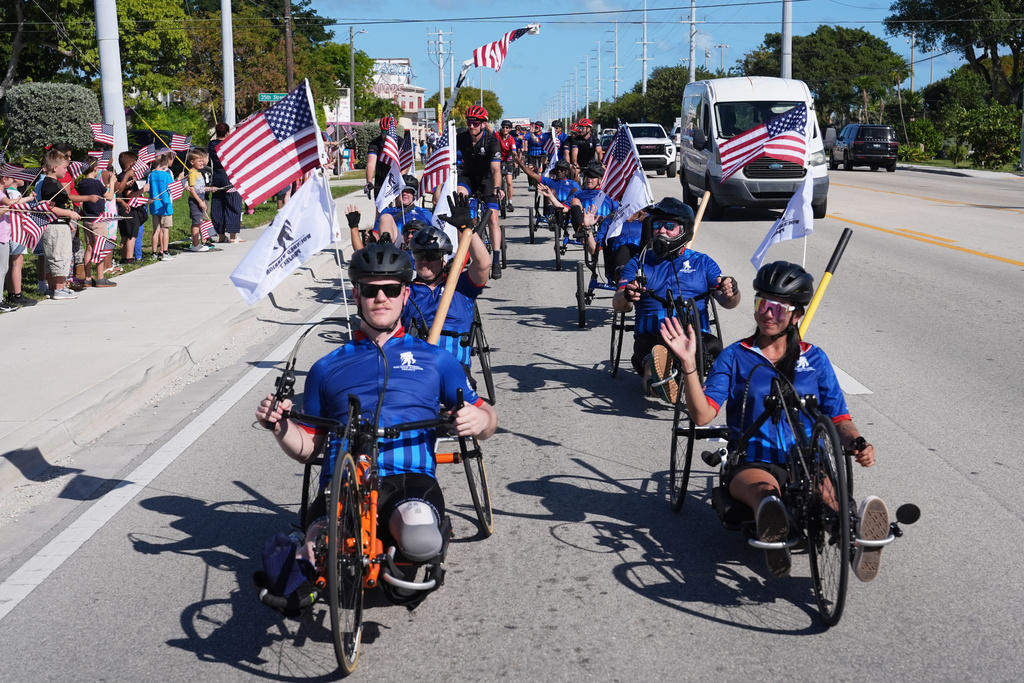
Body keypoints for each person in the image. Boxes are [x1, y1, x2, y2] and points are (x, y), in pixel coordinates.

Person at [254, 241, 497, 610]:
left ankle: (414, 555)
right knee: (312, 549)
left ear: (405, 294)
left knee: (419, 539)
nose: (380, 297)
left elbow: (488, 419)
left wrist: (479, 420)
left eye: (391, 289)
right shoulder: (325, 367)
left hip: (409, 477)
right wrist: (280, 426)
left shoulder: (436, 360)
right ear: (357, 294)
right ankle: (298, 572)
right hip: (342, 481)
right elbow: (309, 449)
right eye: (370, 289)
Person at [659, 261, 891, 581]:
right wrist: (688, 366)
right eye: (762, 304)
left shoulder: (815, 359)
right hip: (753, 460)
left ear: (796, 315)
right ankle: (774, 526)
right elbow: (702, 415)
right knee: (765, 492)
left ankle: (855, 540)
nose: (767, 313)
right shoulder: (735, 355)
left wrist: (857, 442)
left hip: (807, 459)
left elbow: (839, 418)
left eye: (778, 308)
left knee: (830, 500)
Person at [613, 197, 740, 402]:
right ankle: (657, 386)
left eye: (669, 226)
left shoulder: (703, 263)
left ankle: (707, 392)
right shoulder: (638, 263)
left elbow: (728, 303)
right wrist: (628, 294)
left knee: (716, 347)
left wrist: (730, 290)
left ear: (683, 230)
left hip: (694, 336)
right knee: (653, 357)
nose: (661, 231)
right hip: (652, 336)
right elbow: (618, 303)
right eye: (657, 225)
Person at [401, 205, 490, 368]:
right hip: (416, 367)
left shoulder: (461, 285)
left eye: (431, 255)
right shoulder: (406, 292)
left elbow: (483, 264)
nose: (424, 261)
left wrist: (467, 228)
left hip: (454, 367)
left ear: (443, 260)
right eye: (419, 255)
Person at [38, 150, 96, 300]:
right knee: (59, 257)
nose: (66, 170)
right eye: (65, 168)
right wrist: (69, 214)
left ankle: (53, 289)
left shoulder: (54, 182)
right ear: (55, 168)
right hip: (55, 227)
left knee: (55, 257)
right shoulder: (50, 184)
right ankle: (58, 289)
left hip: (58, 224)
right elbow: (49, 207)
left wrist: (67, 220)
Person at [455, 105, 504, 280]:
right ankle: (462, 252)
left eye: (475, 123)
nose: (471, 126)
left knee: (493, 218)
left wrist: (498, 188)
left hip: (487, 179)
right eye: (469, 122)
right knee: (459, 202)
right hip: (468, 177)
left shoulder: (492, 142)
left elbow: (496, 170)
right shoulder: (460, 138)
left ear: (483, 124)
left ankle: (496, 260)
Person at [76, 162, 118, 287]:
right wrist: (112, 183)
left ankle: (88, 277)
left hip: (87, 219)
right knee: (101, 247)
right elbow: (109, 197)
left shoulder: (82, 183)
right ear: (95, 169)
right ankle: (100, 277)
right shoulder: (96, 183)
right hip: (98, 220)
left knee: (90, 247)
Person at [2, 174, 36, 308]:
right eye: (21, 174)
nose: (25, 177)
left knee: (12, 264)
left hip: (11, 231)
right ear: (14, 178)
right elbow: (18, 209)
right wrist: (30, 201)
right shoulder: (13, 193)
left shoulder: (9, 192)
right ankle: (17, 294)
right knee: (17, 263)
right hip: (16, 231)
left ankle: (12, 293)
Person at [514, 158, 579, 228]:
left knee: (575, 190)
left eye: (561, 169)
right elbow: (533, 175)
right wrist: (521, 165)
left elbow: (581, 195)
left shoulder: (573, 183)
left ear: (566, 171)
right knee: (550, 190)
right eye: (557, 169)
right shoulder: (550, 181)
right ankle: (551, 217)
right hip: (554, 207)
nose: (559, 171)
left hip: (567, 208)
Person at [208, 122, 244, 243]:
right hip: (230, 177)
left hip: (217, 176)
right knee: (233, 204)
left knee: (218, 205)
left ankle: (221, 236)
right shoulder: (230, 145)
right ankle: (233, 236)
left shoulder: (211, 145)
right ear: (227, 133)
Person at [375, 175, 433, 246]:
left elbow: (435, 232)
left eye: (408, 191)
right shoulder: (387, 212)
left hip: (419, 245)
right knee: (386, 217)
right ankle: (387, 248)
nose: (404, 193)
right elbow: (376, 233)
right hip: (396, 246)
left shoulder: (424, 212)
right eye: (401, 191)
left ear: (414, 194)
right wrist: (371, 237)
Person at [114, 151, 148, 264]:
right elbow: (129, 194)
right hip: (129, 208)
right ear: (131, 165)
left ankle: (124, 258)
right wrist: (143, 190)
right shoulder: (128, 178)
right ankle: (129, 258)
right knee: (132, 235)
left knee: (124, 234)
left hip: (120, 208)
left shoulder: (120, 176)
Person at [148, 153, 175, 260]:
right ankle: (165, 252)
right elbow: (172, 189)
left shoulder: (151, 175)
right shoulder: (167, 175)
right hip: (165, 205)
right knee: (165, 230)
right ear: (163, 162)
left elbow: (148, 187)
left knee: (156, 230)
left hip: (154, 205)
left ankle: (154, 253)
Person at [364, 115, 397, 204]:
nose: (385, 135)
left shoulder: (400, 142)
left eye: (388, 132)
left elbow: (405, 163)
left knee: (399, 208)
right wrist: (369, 182)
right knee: (380, 208)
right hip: (381, 176)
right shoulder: (375, 143)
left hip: (397, 177)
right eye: (383, 131)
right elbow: (371, 164)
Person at [186, 149, 213, 252]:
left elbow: (200, 188)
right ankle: (195, 245)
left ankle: (198, 243)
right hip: (195, 201)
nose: (202, 163)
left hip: (200, 200)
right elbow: (192, 189)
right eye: (199, 161)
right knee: (196, 223)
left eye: (202, 160)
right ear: (192, 162)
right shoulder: (192, 173)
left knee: (200, 222)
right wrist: (200, 202)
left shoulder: (198, 172)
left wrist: (211, 188)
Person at [496, 120, 518, 213]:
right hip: (497, 160)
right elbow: (490, 130)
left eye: (507, 128)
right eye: (503, 127)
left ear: (509, 129)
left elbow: (513, 150)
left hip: (508, 161)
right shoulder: (498, 135)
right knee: (497, 181)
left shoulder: (511, 139)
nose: (505, 129)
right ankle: (497, 200)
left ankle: (510, 202)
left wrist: (515, 159)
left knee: (509, 182)